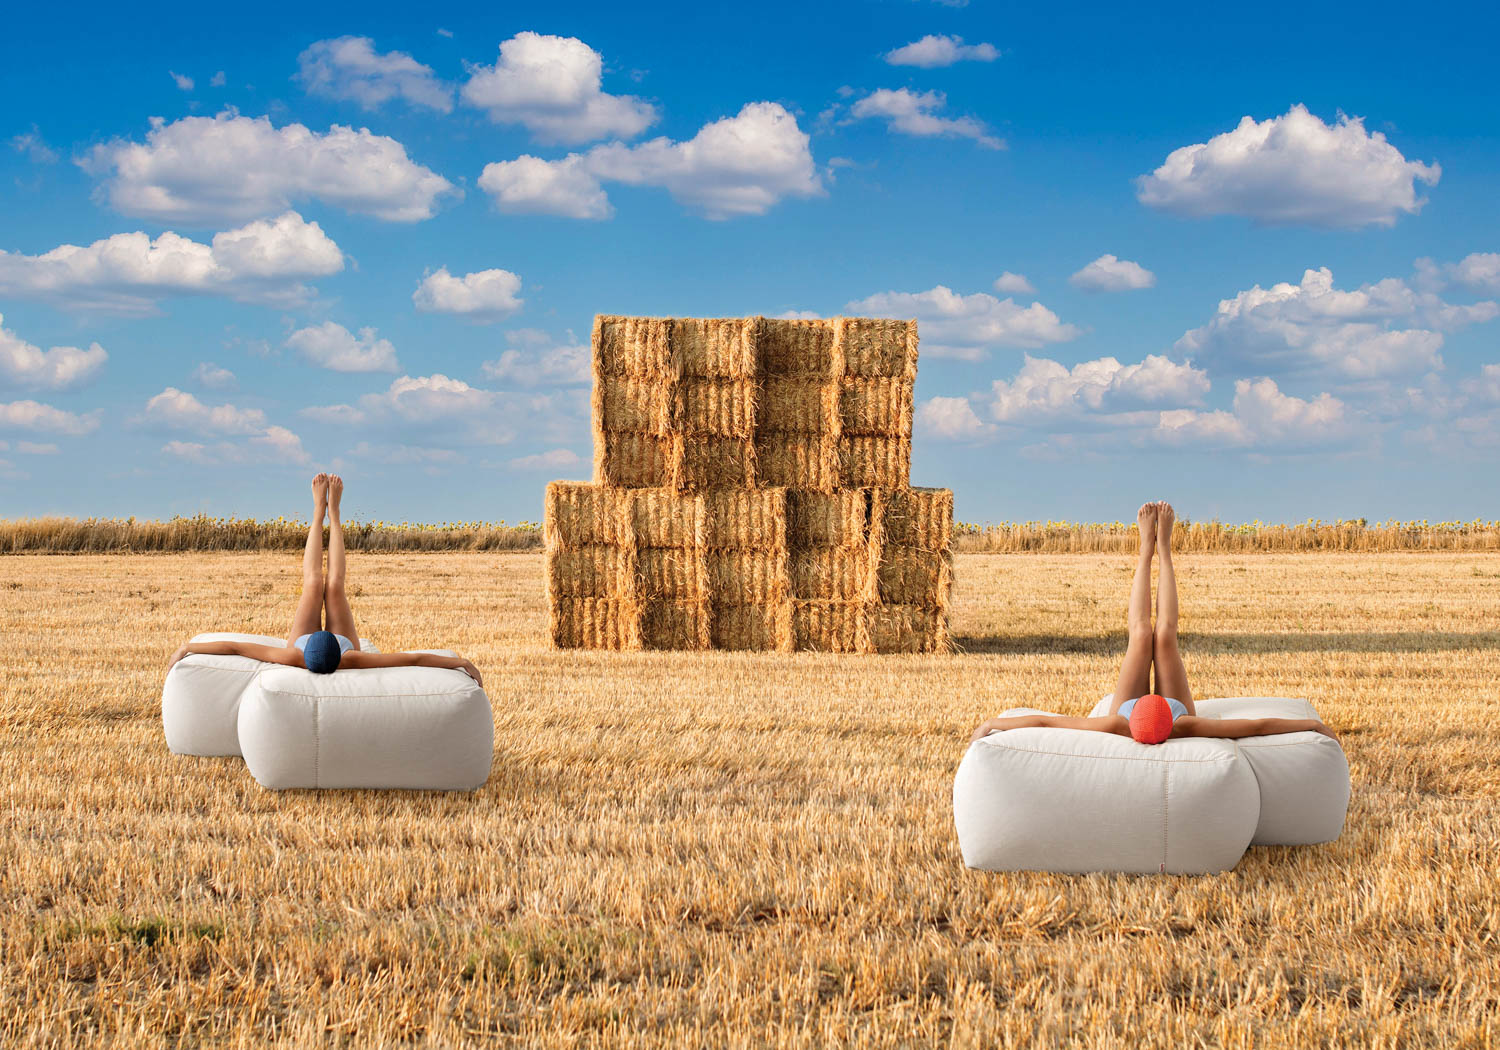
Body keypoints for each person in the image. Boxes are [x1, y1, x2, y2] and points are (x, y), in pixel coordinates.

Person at [970, 501, 1335, 746]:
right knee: (1164, 635)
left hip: (1143, 716)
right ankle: (1164, 550)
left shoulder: (1117, 722)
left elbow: (1048, 723)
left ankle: (1146, 550)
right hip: (1168, 713)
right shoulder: (1186, 723)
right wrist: (1312, 726)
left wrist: (994, 724)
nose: (1151, 694)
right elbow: (1257, 728)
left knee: (1141, 634)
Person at [167, 474, 483, 686]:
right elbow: (413, 658)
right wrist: (460, 662)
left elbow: (236, 648)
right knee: (333, 585)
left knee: (313, 584)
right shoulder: (353, 659)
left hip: (324, 647)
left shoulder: (293, 655)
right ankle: (334, 514)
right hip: (341, 645)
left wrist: (187, 647)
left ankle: (318, 512)